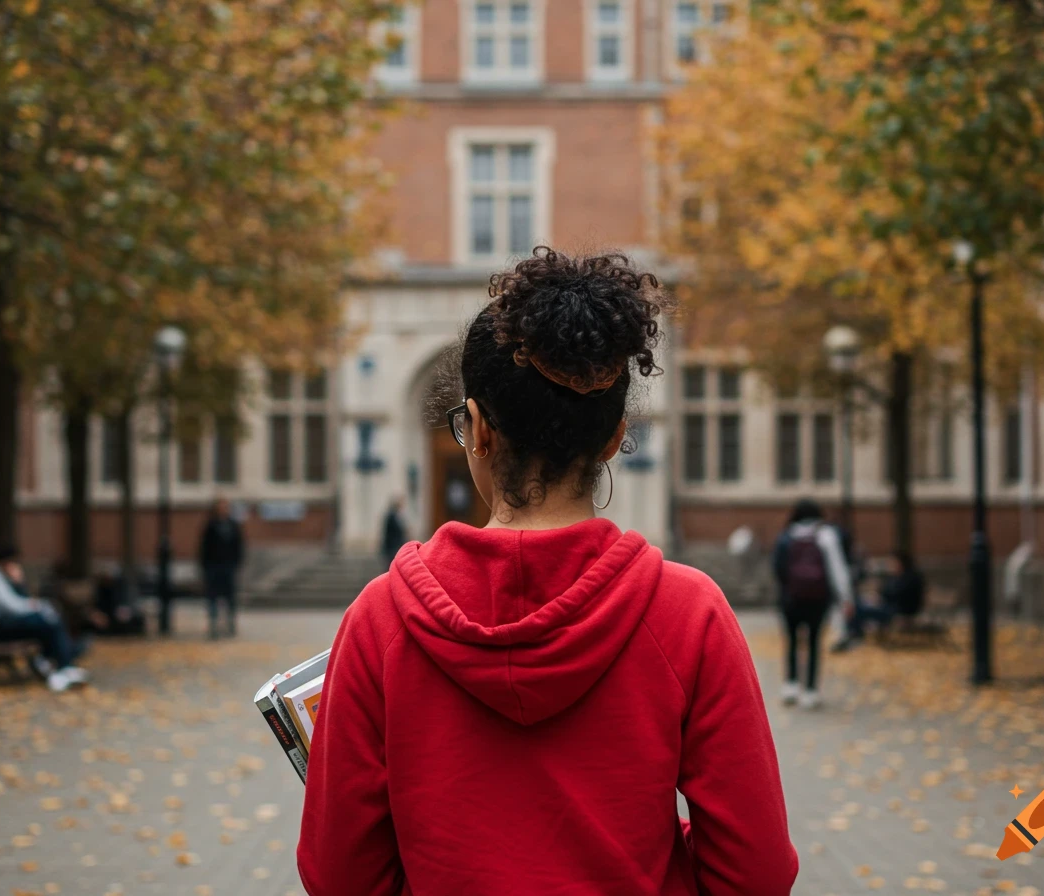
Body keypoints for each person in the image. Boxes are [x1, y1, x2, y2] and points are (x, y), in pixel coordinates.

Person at [298, 248, 798, 896]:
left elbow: (338, 875)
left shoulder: (378, 621)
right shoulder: (689, 614)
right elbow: (755, 873)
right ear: (616, 436)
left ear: (478, 430)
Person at [771, 499, 854, 710]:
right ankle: (810, 691)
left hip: (791, 599)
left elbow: (778, 570)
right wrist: (846, 598)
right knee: (814, 643)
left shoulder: (786, 537)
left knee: (791, 642)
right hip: (818, 600)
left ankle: (790, 685)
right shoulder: (826, 535)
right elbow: (837, 569)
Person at [0, 546, 88, 692]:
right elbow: (11, 606)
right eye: (13, 562)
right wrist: (34, 604)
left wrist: (19, 584)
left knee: (49, 620)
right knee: (47, 621)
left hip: (10, 623)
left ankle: (56, 664)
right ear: (5, 561)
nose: (15, 565)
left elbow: (19, 602)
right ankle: (63, 663)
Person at [833, 550, 926, 650]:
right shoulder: (898, 577)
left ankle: (855, 635)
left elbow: (898, 596)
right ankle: (853, 634)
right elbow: (886, 593)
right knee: (856, 604)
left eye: (893, 562)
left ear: (901, 562)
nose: (890, 565)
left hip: (898, 610)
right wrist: (876, 597)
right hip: (890, 607)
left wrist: (879, 599)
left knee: (858, 609)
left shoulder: (909, 578)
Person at [199, 498, 244, 639]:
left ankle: (230, 623)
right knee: (212, 597)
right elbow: (204, 548)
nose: (223, 509)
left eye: (226, 507)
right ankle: (213, 626)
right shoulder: (211, 526)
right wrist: (205, 566)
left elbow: (239, 546)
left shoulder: (233, 525)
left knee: (230, 597)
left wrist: (236, 563)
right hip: (213, 566)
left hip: (228, 566)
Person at [379, 495, 409, 568]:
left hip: (397, 546)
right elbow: (388, 533)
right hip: (392, 547)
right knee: (390, 565)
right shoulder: (391, 516)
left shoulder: (398, 515)